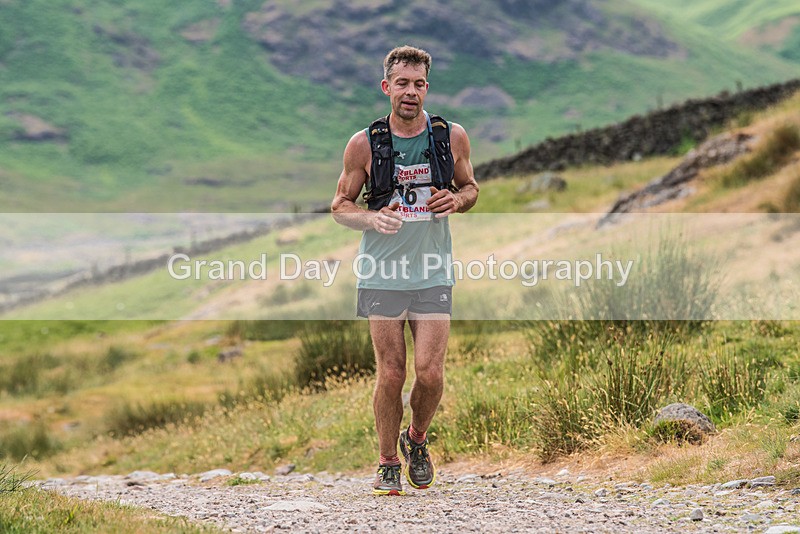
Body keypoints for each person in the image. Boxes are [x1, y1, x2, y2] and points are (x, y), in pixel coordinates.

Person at [331, 45, 479, 496]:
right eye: (402, 83)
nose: (410, 92)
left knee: (430, 374)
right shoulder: (365, 144)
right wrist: (371, 218)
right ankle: (387, 462)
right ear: (386, 88)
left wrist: (456, 199)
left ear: (426, 88)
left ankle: (416, 440)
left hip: (433, 270)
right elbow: (339, 206)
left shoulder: (449, 136)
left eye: (418, 84)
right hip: (382, 274)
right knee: (392, 372)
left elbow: (471, 187)